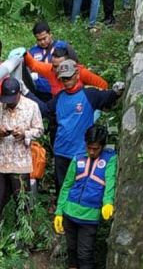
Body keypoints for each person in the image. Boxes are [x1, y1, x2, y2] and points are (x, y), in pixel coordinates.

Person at [53, 124, 117, 269]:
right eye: (89, 147)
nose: (91, 151)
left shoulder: (110, 160)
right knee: (72, 249)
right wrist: (59, 212)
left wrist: (107, 203)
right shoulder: (78, 158)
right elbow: (67, 185)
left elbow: (110, 183)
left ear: (102, 146)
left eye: (95, 148)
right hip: (70, 212)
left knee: (85, 253)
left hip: (90, 216)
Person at [50, 60, 122, 194]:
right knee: (62, 188)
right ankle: (61, 214)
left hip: (81, 152)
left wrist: (116, 92)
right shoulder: (60, 97)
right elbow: (44, 109)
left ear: (77, 74)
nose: (66, 81)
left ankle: (79, 213)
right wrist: (26, 94)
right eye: (63, 79)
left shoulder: (89, 94)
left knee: (80, 186)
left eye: (68, 77)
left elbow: (107, 97)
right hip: (61, 151)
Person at [0, 78, 43, 237]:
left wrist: (25, 133)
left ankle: (23, 235)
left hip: (20, 162)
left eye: (11, 100)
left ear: (18, 94)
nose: (8, 103)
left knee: (21, 201)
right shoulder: (0, 107)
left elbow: (39, 130)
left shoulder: (31, 107)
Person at [24, 46, 108, 97]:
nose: (56, 70)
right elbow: (34, 64)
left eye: (59, 66)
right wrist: (24, 53)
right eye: (54, 66)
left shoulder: (80, 72)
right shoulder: (51, 70)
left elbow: (103, 85)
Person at [28, 21, 79, 103]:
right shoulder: (32, 52)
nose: (42, 42)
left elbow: (75, 64)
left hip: (60, 90)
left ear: (50, 34)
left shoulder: (63, 46)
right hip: (40, 92)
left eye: (44, 38)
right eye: (39, 40)